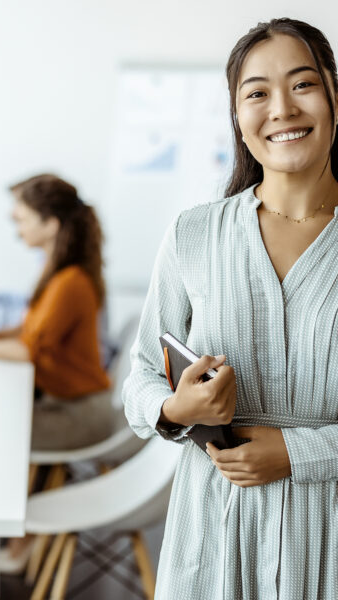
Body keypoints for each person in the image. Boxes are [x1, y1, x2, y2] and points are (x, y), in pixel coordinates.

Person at [123, 18, 338, 599]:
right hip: (213, 537)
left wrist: (300, 452)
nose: (282, 109)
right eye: (257, 93)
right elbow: (139, 381)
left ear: (334, 98)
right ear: (238, 120)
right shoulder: (194, 234)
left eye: (302, 84)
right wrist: (176, 406)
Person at [0, 174, 113, 449]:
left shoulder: (70, 282)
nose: (16, 229)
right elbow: (29, 330)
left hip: (78, 414)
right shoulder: (56, 273)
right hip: (64, 402)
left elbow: (30, 351)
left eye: (22, 220)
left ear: (50, 225)